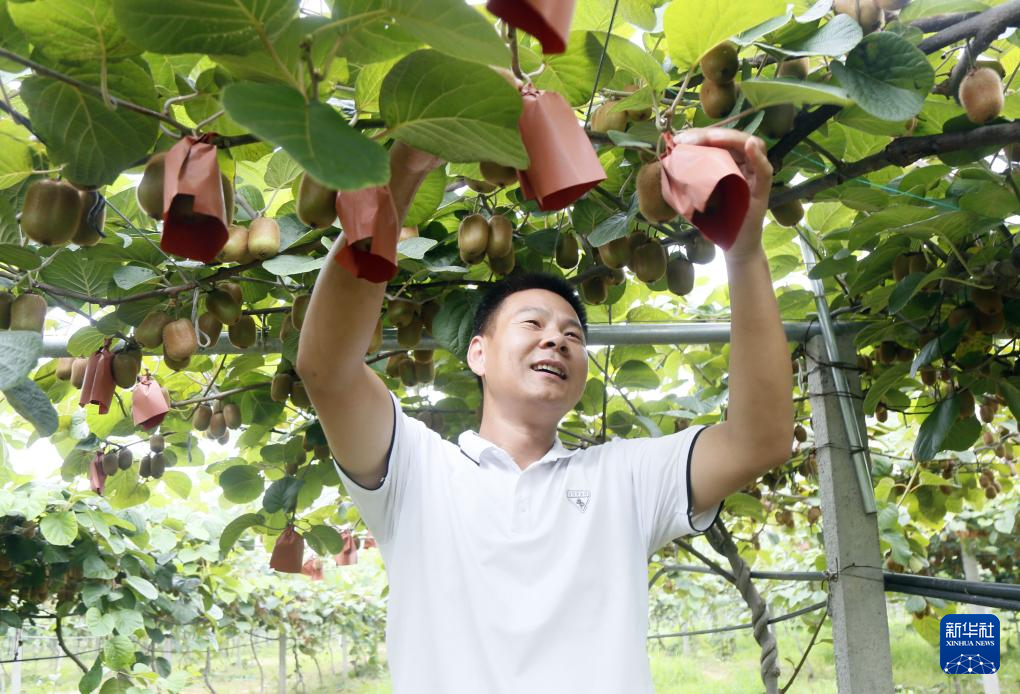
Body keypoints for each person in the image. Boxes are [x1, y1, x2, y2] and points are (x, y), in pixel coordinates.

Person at [295, 128, 794, 693]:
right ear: (476, 352)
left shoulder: (624, 479)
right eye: (531, 324)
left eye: (573, 336)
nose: (556, 341)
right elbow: (327, 369)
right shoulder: (415, 470)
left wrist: (745, 251)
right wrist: (403, 169)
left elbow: (761, 439)